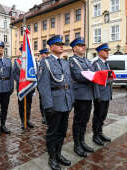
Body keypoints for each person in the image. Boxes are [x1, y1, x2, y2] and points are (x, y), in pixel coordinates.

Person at [38, 35, 74, 170]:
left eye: (62, 44)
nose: (61, 46)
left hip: (65, 102)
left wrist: (72, 100)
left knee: (62, 131)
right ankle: (52, 157)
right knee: (52, 132)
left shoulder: (65, 62)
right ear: (51, 47)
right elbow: (43, 86)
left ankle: (59, 154)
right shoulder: (45, 62)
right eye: (58, 44)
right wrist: (48, 106)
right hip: (54, 103)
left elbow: (69, 83)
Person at [69, 37, 96, 157]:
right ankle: (77, 145)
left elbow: (93, 73)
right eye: (80, 45)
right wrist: (93, 77)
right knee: (78, 121)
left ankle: (82, 141)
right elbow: (78, 76)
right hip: (79, 95)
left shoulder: (87, 61)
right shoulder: (72, 61)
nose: (83, 47)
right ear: (74, 48)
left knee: (85, 120)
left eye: (84, 45)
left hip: (88, 94)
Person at [92, 43, 113, 146]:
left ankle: (100, 132)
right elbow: (95, 81)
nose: (107, 52)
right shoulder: (96, 64)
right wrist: (97, 95)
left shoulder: (106, 63)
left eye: (108, 51)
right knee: (98, 115)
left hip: (107, 93)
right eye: (105, 51)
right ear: (100, 52)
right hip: (100, 94)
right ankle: (95, 135)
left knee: (103, 115)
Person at [13, 46, 35, 130]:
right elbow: (15, 74)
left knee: (29, 104)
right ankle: (23, 121)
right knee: (21, 105)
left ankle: (28, 120)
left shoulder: (31, 61)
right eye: (24, 51)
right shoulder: (17, 62)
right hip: (21, 87)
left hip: (29, 87)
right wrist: (22, 82)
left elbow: (33, 73)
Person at [38, 48, 50, 124]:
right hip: (43, 86)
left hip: (49, 85)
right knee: (42, 102)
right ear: (42, 55)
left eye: (47, 54)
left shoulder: (49, 61)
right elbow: (39, 75)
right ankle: (44, 116)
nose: (46, 55)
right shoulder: (41, 62)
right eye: (45, 54)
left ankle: (48, 116)